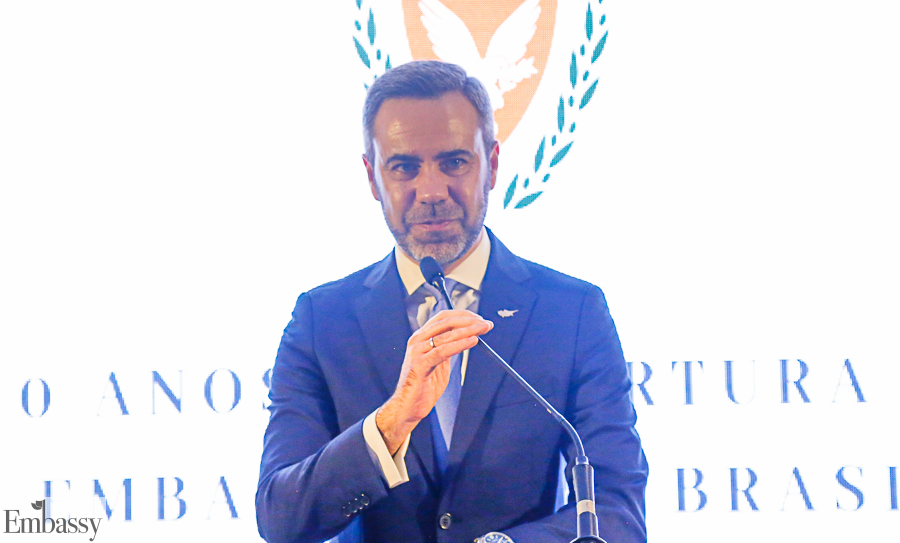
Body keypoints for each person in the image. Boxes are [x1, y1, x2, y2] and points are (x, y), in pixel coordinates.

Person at [256, 60, 648, 543]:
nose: (432, 191)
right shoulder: (322, 321)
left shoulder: (571, 312)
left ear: (492, 166)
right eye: (404, 167)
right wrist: (390, 425)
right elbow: (281, 519)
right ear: (373, 178)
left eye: (455, 162)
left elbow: (617, 512)